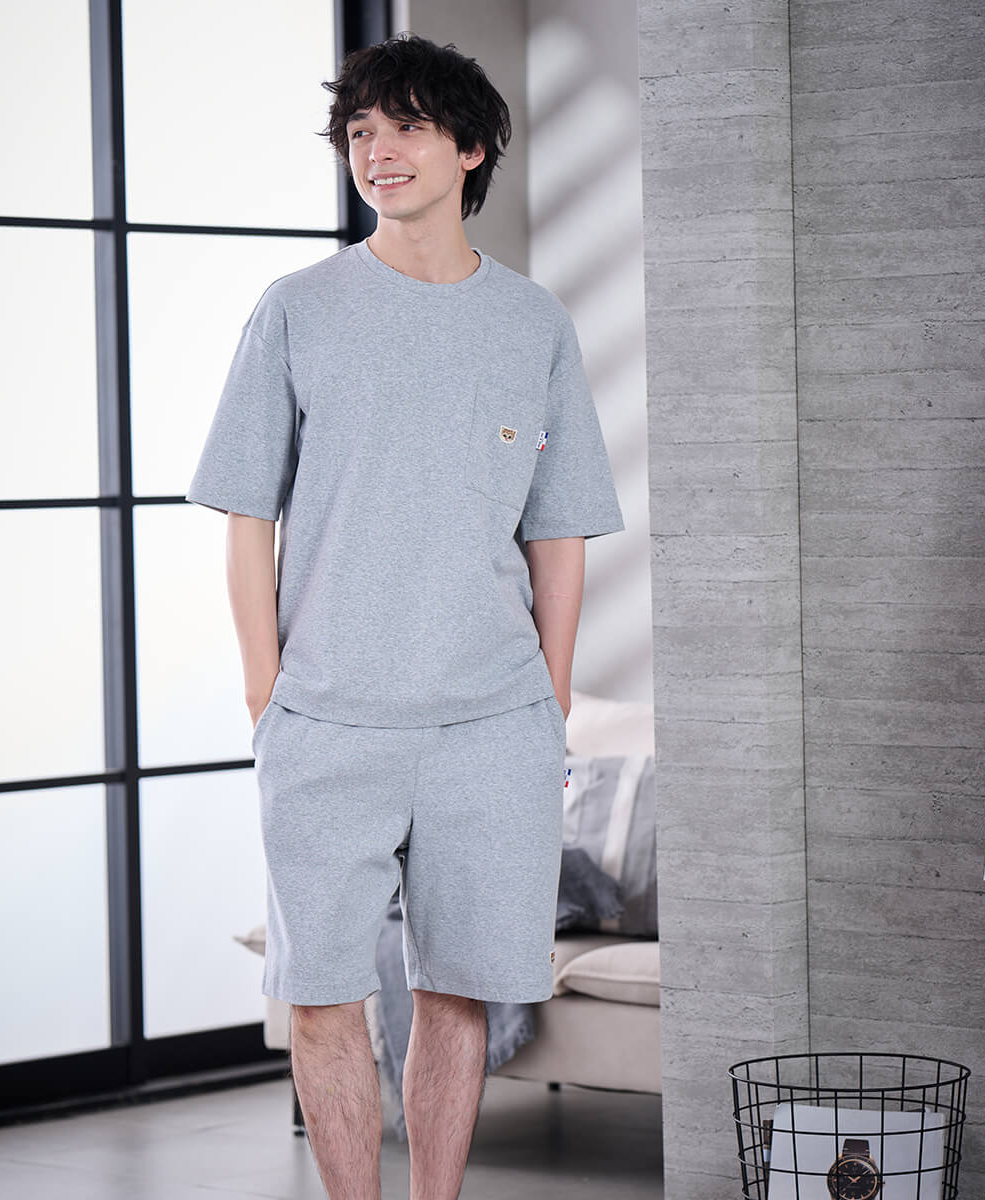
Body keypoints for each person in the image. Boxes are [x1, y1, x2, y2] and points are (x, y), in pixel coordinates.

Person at [185, 32, 623, 1200]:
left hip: (493, 722)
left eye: (408, 127)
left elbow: (560, 532)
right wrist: (266, 693)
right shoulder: (299, 310)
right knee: (322, 995)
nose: (377, 151)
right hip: (327, 718)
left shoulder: (533, 323)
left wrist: (551, 701)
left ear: (471, 149)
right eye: (360, 133)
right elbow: (245, 515)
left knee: (458, 992)